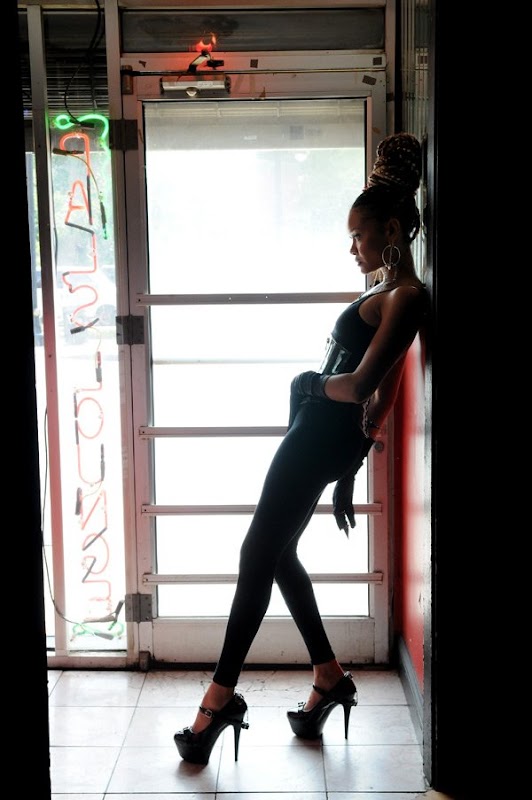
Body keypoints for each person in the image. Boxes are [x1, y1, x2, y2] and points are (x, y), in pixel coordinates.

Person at [174, 131, 429, 765]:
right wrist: (348, 462)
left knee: (256, 552)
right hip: (316, 437)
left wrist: (310, 385)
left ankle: (218, 701)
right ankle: (328, 678)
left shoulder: (407, 296)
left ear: (390, 229)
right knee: (278, 551)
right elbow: (375, 394)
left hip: (319, 437)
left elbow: (370, 386)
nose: (352, 247)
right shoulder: (384, 290)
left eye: (358, 236)